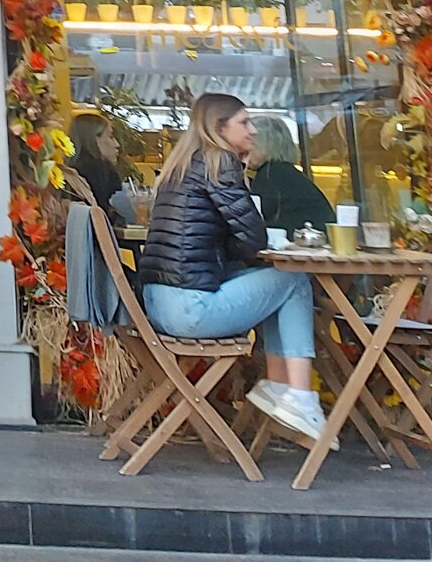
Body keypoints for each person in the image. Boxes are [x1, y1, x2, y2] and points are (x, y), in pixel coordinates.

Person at [138, 92, 326, 441]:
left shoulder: (182, 166)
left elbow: (231, 242)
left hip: (158, 307)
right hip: (192, 309)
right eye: (244, 122)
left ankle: (276, 385)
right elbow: (252, 238)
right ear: (219, 128)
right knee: (294, 279)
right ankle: (297, 394)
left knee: (271, 283)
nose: (252, 130)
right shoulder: (219, 164)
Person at [247, 115, 334, 237]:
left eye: (251, 146)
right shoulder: (286, 173)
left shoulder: (270, 175)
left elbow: (255, 219)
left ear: (266, 146)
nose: (244, 152)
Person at [67, 110, 125, 219]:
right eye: (111, 137)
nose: (117, 144)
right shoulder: (102, 171)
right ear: (94, 139)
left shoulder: (67, 172)